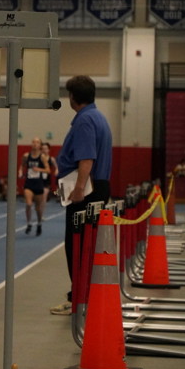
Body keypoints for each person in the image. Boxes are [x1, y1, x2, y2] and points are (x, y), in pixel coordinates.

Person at [53, 75, 112, 314]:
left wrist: (78, 189)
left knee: (77, 247)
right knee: (86, 246)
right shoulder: (97, 117)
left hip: (87, 191)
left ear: (73, 97)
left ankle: (79, 299)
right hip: (96, 187)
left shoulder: (85, 120)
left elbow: (86, 158)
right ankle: (83, 295)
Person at [18, 137, 49, 236]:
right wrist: (20, 172)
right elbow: (22, 165)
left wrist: (39, 169)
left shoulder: (42, 157)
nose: (35, 144)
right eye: (33, 142)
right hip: (29, 184)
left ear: (40, 145)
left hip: (39, 184)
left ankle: (39, 223)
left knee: (38, 208)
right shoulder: (26, 156)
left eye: (37, 142)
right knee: (28, 204)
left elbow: (48, 170)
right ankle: (29, 223)